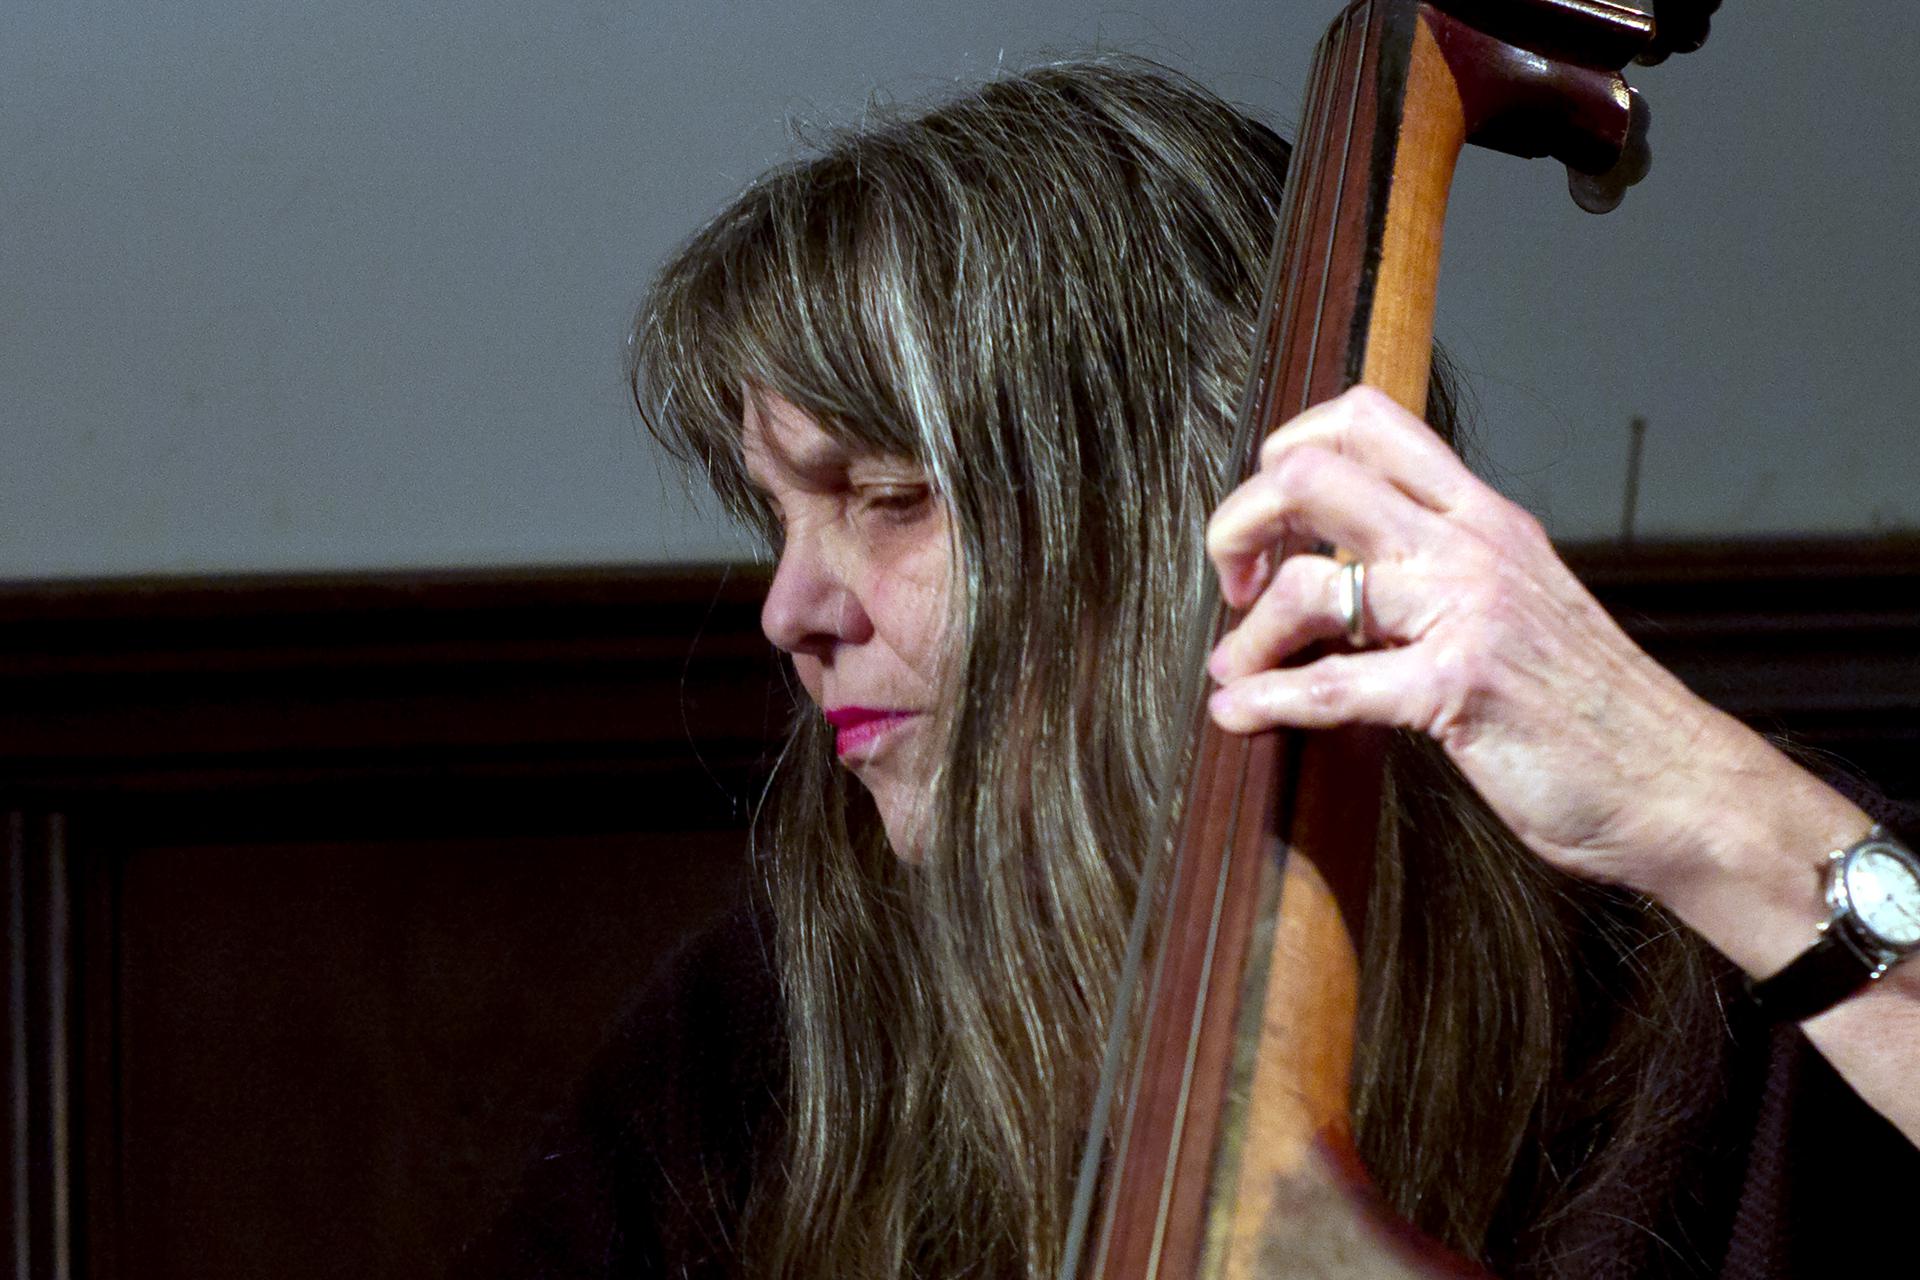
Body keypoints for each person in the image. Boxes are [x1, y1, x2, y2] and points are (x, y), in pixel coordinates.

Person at [454, 58, 1920, 1279]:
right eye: (776, 520)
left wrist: (1708, 807)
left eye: (890, 497)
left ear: (1185, 509)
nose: (788, 610)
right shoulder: (748, 1038)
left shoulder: (1699, 980)